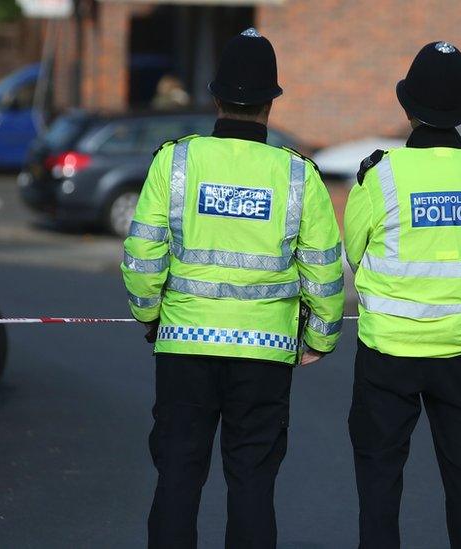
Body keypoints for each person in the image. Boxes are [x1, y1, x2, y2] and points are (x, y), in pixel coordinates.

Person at [121, 28, 344, 549]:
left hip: (185, 347)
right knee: (252, 482)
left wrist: (150, 314)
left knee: (178, 477)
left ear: (216, 96)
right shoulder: (298, 175)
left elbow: (141, 256)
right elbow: (325, 272)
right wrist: (320, 338)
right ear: (271, 102)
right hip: (265, 354)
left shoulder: (175, 161)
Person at [343, 41, 461, 549]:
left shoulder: (382, 173)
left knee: (379, 479)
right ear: (459, 109)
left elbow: (353, 250)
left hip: (390, 351)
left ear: (408, 107)